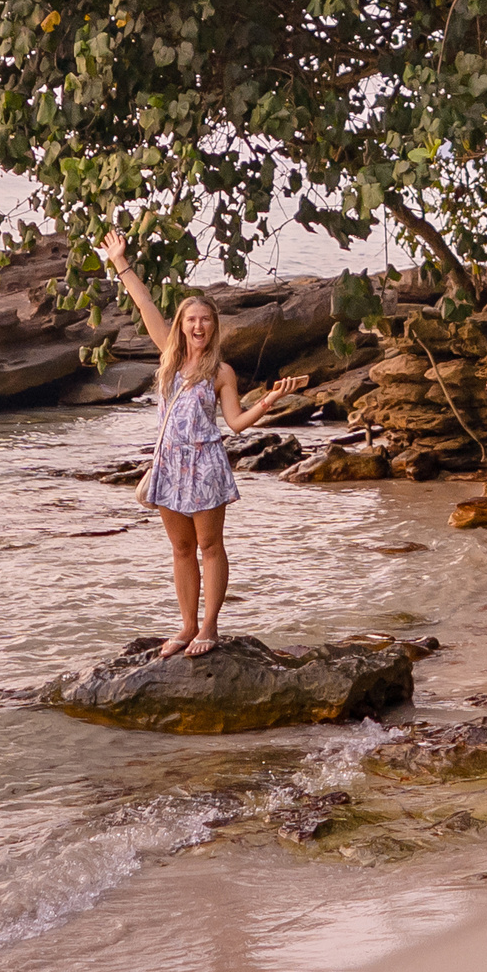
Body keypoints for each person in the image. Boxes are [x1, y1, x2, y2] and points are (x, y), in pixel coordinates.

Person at [99, 230, 305, 656]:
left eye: (205, 320)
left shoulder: (221, 371)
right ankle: (186, 625)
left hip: (206, 463)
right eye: (191, 320)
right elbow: (145, 304)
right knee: (180, 549)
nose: (198, 325)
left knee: (210, 547)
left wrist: (269, 400)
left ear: (214, 327)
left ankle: (209, 626)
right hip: (169, 464)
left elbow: (236, 424)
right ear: (182, 326)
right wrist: (121, 262)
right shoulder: (169, 358)